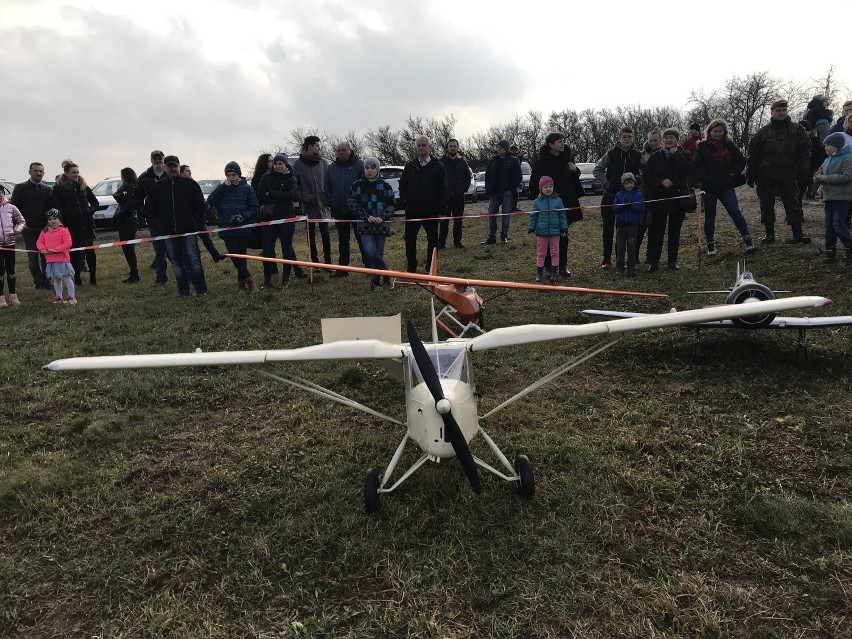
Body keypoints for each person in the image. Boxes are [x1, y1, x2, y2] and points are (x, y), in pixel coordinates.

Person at [746, 99, 812, 244]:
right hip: (765, 175)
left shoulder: (797, 130)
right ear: (772, 112)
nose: (781, 113)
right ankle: (769, 235)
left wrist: (804, 172)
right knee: (766, 205)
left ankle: (798, 234)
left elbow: (805, 152)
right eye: (778, 110)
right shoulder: (763, 132)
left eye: (784, 110)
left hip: (788, 173)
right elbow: (753, 154)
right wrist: (750, 174)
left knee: (793, 203)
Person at [147, 155, 208, 297]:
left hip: (188, 230)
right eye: (169, 166)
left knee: (193, 260)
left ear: (179, 167)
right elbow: (150, 207)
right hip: (168, 231)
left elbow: (200, 205)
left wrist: (195, 221)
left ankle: (201, 289)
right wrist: (158, 222)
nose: (173, 169)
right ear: (165, 167)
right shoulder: (157, 187)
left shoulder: (190, 184)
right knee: (176, 262)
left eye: (175, 166)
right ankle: (183, 290)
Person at [693, 118, 756, 255]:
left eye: (720, 131)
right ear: (710, 132)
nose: (717, 134)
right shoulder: (703, 147)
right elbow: (696, 165)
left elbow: (741, 160)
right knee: (710, 215)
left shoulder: (729, 145)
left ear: (724, 132)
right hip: (709, 187)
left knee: (734, 211)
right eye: (715, 131)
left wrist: (733, 174)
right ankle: (710, 244)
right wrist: (701, 179)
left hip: (726, 185)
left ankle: (748, 239)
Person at [529, 131, 583, 276]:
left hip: (565, 202)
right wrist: (539, 202)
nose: (562, 143)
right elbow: (534, 184)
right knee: (547, 237)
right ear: (551, 144)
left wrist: (575, 170)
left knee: (563, 235)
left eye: (563, 141)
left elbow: (574, 179)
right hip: (547, 205)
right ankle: (548, 267)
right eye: (559, 141)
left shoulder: (568, 159)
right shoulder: (541, 163)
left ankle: (562, 265)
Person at [643, 128, 693, 272]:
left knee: (674, 232)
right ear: (663, 140)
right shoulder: (655, 157)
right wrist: (660, 181)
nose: (669, 140)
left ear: (677, 140)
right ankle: (654, 262)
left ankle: (672, 261)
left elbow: (688, 170)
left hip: (678, 199)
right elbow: (647, 177)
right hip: (660, 199)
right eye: (666, 138)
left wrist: (676, 155)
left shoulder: (684, 154)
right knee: (657, 232)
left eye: (671, 137)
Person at [593, 127, 643, 269]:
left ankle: (622, 258)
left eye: (630, 136)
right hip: (610, 196)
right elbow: (597, 169)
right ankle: (607, 258)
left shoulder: (637, 155)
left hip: (629, 198)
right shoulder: (611, 153)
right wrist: (605, 183)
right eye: (624, 136)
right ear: (619, 138)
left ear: (633, 138)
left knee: (625, 228)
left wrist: (638, 180)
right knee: (608, 228)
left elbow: (648, 169)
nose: (627, 139)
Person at [207, 161, 260, 293]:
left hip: (243, 228)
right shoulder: (222, 188)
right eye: (228, 175)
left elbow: (254, 208)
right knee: (235, 256)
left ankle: (241, 285)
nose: (231, 177)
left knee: (241, 256)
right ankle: (250, 282)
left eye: (233, 174)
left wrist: (243, 216)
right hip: (226, 228)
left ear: (239, 174)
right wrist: (221, 188)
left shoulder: (247, 188)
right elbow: (211, 201)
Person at [256, 153, 306, 289]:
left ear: (285, 165)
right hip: (269, 218)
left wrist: (271, 194)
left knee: (286, 248)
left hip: (286, 217)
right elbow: (260, 195)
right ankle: (267, 280)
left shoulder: (291, 177)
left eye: (280, 164)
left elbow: (292, 195)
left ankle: (286, 278)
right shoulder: (266, 177)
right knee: (267, 250)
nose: (277, 166)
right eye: (275, 163)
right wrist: (279, 196)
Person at [399, 135, 447, 272]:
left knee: (432, 240)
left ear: (429, 147)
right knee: (409, 239)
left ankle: (430, 266)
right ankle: (411, 266)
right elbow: (402, 185)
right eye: (419, 145)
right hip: (412, 210)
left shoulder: (438, 166)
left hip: (431, 210)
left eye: (424, 145)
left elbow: (443, 189)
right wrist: (404, 200)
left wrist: (442, 210)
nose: (421, 148)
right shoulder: (410, 166)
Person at [348, 157, 396, 289]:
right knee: (370, 252)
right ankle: (387, 273)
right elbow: (352, 203)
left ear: (378, 169)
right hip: (365, 225)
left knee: (379, 254)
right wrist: (366, 216)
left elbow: (392, 205)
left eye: (372, 168)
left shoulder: (386, 186)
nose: (369, 170)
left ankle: (375, 281)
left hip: (381, 225)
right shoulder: (357, 185)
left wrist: (383, 216)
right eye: (367, 168)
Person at [50, 159, 98, 286]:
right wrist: (68, 214)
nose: (76, 175)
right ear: (66, 173)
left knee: (90, 251)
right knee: (74, 252)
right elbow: (56, 206)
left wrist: (89, 210)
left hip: (86, 223)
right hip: (71, 225)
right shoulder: (59, 189)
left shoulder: (84, 187)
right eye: (73, 172)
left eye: (77, 172)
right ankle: (77, 277)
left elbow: (95, 202)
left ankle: (93, 277)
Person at [325, 141, 365, 277]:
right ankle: (342, 269)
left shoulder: (360, 165)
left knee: (362, 239)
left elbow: (365, 185)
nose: (341, 152)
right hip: (339, 209)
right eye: (339, 150)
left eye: (343, 150)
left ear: (350, 150)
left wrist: (360, 202)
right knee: (343, 240)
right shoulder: (331, 168)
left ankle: (369, 267)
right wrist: (331, 201)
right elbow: (327, 186)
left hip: (357, 210)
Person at [10, 162, 52, 290]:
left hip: (45, 229)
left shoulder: (48, 189)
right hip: (29, 229)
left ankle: (46, 281)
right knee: (33, 258)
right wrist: (21, 225)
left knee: (46, 257)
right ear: (30, 172)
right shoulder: (20, 188)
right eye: (36, 171)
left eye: (41, 171)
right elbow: (14, 209)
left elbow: (51, 209)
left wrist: (49, 225)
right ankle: (38, 283)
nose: (38, 173)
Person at [292, 136, 332, 266]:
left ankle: (328, 262)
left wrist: (327, 197)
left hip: (323, 204)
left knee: (325, 233)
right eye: (317, 145)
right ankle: (314, 262)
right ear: (309, 147)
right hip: (308, 205)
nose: (319, 148)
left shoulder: (323, 163)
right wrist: (303, 197)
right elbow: (295, 185)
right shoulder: (298, 164)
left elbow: (328, 182)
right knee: (310, 234)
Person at [812, 132, 852, 263]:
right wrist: (817, 178)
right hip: (828, 197)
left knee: (838, 224)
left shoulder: (848, 158)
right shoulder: (827, 160)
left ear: (837, 146)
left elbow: (846, 177)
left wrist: (824, 178)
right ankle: (830, 250)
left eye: (828, 145)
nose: (825, 148)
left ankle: (849, 247)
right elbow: (818, 173)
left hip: (842, 198)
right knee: (829, 225)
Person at [135, 150, 170, 285]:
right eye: (155, 159)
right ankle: (161, 278)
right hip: (154, 219)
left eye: (160, 159)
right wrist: (143, 212)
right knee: (159, 249)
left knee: (174, 249)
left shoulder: (169, 174)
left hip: (170, 217)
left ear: (163, 160)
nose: (158, 161)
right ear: (151, 160)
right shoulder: (145, 177)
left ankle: (183, 273)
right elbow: (137, 197)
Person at [180, 165, 225, 263]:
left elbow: (200, 200)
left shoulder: (193, 183)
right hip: (187, 220)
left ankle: (215, 254)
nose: (190, 172)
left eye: (190, 170)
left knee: (206, 237)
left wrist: (201, 214)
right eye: (187, 171)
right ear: (181, 173)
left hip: (198, 218)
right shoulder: (179, 185)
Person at [527, 176, 567, 284]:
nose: (548, 189)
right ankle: (539, 273)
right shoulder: (537, 202)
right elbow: (533, 216)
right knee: (541, 253)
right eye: (545, 187)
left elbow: (562, 215)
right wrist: (531, 227)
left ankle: (554, 273)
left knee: (555, 252)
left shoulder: (558, 201)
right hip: (542, 233)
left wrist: (564, 228)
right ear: (541, 188)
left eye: (550, 186)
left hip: (555, 232)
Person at [482, 140, 521, 245]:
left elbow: (518, 177)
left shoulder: (513, 160)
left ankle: (504, 235)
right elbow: (487, 175)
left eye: (501, 147)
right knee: (491, 214)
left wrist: (511, 190)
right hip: (494, 193)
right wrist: (488, 188)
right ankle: (492, 237)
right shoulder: (493, 160)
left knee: (506, 215)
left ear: (506, 148)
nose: (499, 149)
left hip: (507, 193)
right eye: (498, 147)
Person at [438, 139, 472, 249]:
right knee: (444, 221)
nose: (452, 148)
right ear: (447, 148)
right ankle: (441, 243)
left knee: (458, 220)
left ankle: (457, 242)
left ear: (457, 147)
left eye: (454, 146)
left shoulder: (462, 162)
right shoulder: (441, 162)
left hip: (459, 196)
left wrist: (463, 189)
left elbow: (468, 177)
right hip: (445, 197)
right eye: (450, 146)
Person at [36, 209, 76, 304]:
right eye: (50, 219)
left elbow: (68, 243)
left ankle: (72, 297)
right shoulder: (44, 232)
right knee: (56, 279)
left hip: (62, 259)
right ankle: (58, 296)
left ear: (59, 219)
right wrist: (42, 249)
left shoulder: (64, 230)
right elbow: (39, 242)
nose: (52, 221)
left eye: (55, 218)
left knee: (66, 278)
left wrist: (56, 249)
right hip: (50, 260)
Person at [111, 167, 142, 283]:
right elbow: (117, 196)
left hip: (128, 221)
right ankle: (133, 272)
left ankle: (134, 274)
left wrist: (116, 216)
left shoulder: (131, 188)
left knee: (129, 248)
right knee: (126, 248)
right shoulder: (125, 187)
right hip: (124, 220)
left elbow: (128, 206)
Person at [637, 130, 663, 261]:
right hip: (642, 193)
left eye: (655, 140)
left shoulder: (664, 155)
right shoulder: (642, 155)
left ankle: (650, 255)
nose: (653, 143)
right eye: (650, 140)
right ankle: (634, 254)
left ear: (660, 141)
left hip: (657, 193)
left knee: (654, 227)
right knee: (639, 225)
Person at [612, 172, 644, 276]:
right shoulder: (618, 195)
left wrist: (630, 205)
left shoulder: (638, 195)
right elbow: (614, 209)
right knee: (620, 248)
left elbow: (640, 210)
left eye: (631, 183)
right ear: (623, 184)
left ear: (634, 183)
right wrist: (623, 206)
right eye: (626, 183)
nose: (629, 185)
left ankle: (631, 268)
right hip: (621, 226)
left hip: (632, 226)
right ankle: (620, 268)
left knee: (631, 247)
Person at [0, 188, 25, 307]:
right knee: (0, 271)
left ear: (3, 193)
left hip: (10, 244)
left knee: (11, 270)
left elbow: (21, 221)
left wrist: (16, 231)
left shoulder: (11, 207)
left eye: (0, 192)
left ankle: (13, 295)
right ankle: (1, 298)